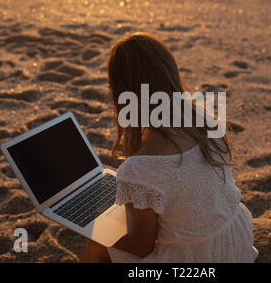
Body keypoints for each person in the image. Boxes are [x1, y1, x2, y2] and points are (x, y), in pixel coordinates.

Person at [80, 32, 258, 263]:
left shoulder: (139, 169)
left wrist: (90, 231)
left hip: (193, 260)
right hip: (232, 242)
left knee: (96, 246)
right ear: (170, 73)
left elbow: (141, 246)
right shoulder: (208, 123)